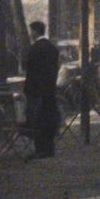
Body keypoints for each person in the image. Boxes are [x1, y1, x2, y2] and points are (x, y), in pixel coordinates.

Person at [22, 19, 62, 159]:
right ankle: (49, 148)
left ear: (34, 32)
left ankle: (40, 149)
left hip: (36, 90)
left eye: (31, 31)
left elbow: (29, 68)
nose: (30, 34)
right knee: (49, 119)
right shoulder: (52, 48)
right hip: (49, 89)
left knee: (38, 119)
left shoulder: (34, 49)